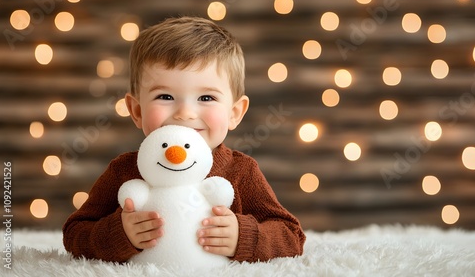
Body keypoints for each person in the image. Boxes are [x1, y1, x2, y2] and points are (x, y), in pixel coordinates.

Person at [63, 16, 305, 263]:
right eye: (165, 96)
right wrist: (119, 233)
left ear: (234, 113)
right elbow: (74, 234)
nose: (185, 113)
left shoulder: (242, 171)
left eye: (207, 98)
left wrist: (243, 235)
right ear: (137, 111)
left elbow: (291, 236)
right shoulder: (124, 171)